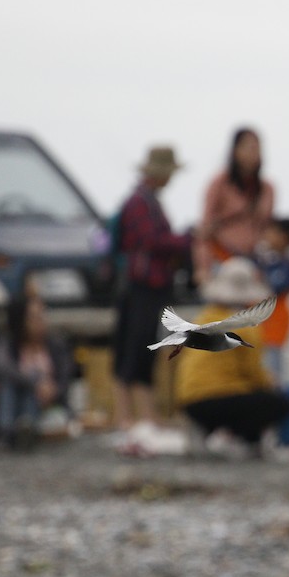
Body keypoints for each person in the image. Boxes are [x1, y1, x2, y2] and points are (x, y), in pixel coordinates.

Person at [111, 145, 193, 435]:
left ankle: (136, 414)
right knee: (138, 346)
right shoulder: (141, 203)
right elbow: (152, 241)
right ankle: (135, 414)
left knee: (134, 346)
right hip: (143, 285)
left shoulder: (143, 200)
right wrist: (184, 240)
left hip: (141, 285)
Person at [175, 257, 289, 452]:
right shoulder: (246, 326)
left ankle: (206, 428)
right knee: (278, 404)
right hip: (220, 398)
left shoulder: (205, 318)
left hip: (189, 399)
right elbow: (255, 374)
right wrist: (272, 385)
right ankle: (247, 438)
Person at [193, 128, 275, 285]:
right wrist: (203, 267)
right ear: (235, 151)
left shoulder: (267, 189)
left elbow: (268, 228)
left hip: (253, 261)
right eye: (249, 147)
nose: (254, 153)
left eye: (257, 148)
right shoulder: (220, 184)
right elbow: (205, 229)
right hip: (222, 258)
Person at [0, 294, 73, 450]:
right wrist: (35, 383)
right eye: (33, 318)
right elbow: (1, 367)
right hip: (18, 401)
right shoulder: (9, 345)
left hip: (48, 406)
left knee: (36, 378)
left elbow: (65, 378)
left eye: (41, 316)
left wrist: (52, 390)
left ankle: (24, 428)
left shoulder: (55, 345)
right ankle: (9, 430)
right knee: (18, 381)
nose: (39, 322)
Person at [255, 217, 289, 387]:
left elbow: (277, 287)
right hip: (264, 321)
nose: (267, 235)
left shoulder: (287, 264)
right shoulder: (266, 260)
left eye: (272, 232)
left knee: (272, 366)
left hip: (275, 320)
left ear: (285, 237)